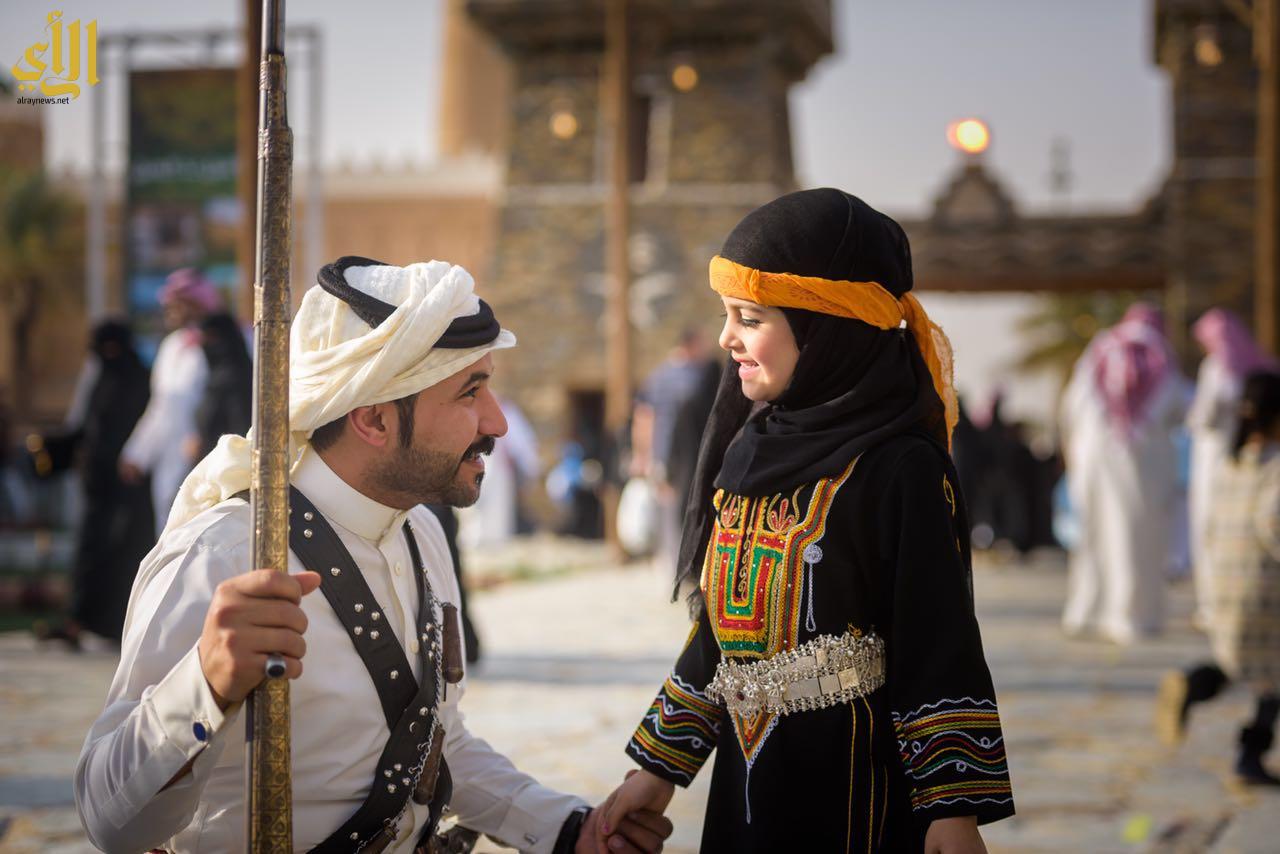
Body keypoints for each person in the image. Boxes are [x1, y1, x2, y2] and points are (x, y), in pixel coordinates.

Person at [74, 257, 672, 853]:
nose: (497, 422)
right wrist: (204, 683)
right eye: (470, 392)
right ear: (374, 419)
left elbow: (441, 743)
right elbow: (109, 822)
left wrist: (570, 829)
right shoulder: (224, 553)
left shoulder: (422, 536)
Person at [599, 190, 1015, 852]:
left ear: (825, 329)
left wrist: (951, 808)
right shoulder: (748, 454)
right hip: (746, 785)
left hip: (858, 791)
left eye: (750, 317)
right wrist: (659, 766)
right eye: (726, 315)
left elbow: (935, 641)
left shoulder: (897, 467)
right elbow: (720, 637)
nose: (725, 338)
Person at [1156, 371, 1280, 786]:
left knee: (1239, 662)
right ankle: (1249, 755)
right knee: (1271, 678)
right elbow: (1273, 524)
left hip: (1225, 587)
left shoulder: (1230, 462)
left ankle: (1192, 685)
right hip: (1264, 591)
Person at [1060, 304, 1188, 643]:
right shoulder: (1159, 352)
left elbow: (1072, 406)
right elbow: (1178, 407)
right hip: (1143, 462)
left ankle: (1086, 611)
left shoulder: (1099, 349)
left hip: (1093, 457)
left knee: (1094, 535)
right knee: (1136, 538)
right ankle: (1132, 617)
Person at [34, 321, 153, 647]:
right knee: (88, 553)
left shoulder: (139, 381)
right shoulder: (101, 377)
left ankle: (117, 626)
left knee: (123, 554)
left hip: (128, 491)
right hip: (96, 487)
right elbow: (87, 426)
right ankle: (77, 620)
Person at [1187, 309, 1277, 628]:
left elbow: (1203, 417)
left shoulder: (1215, 367)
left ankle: (1212, 605)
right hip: (1258, 455)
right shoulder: (1258, 361)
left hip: (1217, 458)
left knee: (1213, 526)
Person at [120, 268, 220, 535]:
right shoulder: (172, 347)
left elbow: (227, 397)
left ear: (195, 304)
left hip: (209, 452)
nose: (169, 309)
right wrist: (136, 453)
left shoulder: (224, 342)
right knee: (168, 530)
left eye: (176, 303)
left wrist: (205, 436)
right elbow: (161, 405)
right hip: (171, 454)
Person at [631, 328, 716, 575]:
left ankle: (675, 566)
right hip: (673, 453)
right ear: (690, 345)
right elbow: (645, 417)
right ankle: (678, 567)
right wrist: (643, 455)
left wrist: (643, 454)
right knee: (673, 511)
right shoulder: (689, 378)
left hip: (668, 453)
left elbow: (643, 417)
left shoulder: (658, 376)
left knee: (671, 510)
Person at [191, 312, 254, 462]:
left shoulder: (234, 377)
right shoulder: (219, 375)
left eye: (211, 338)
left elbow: (240, 429)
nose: (205, 345)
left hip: (228, 464)